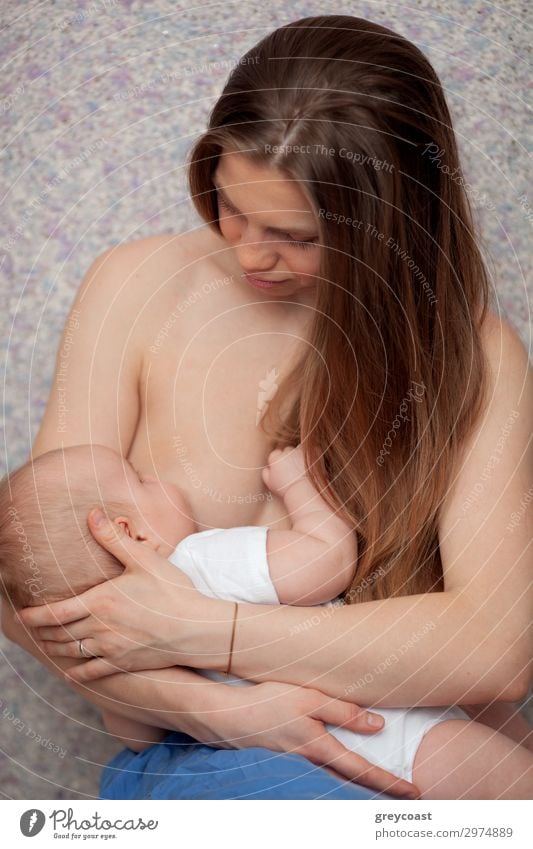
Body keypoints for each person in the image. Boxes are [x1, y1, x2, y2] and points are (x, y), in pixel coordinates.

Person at [3, 14, 531, 800]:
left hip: (402, 757)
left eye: (295, 234)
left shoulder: (470, 355)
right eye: (230, 207)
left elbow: (493, 649)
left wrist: (204, 633)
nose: (250, 252)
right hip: (195, 758)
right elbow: (31, 589)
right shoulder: (134, 287)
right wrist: (211, 707)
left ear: (390, 225)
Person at [2, 444, 531, 798]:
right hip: (396, 737)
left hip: (300, 767)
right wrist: (302, 489)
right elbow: (323, 565)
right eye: (141, 480)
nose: (158, 477)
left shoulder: (114, 641)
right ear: (130, 531)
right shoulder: (198, 560)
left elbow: (136, 733)